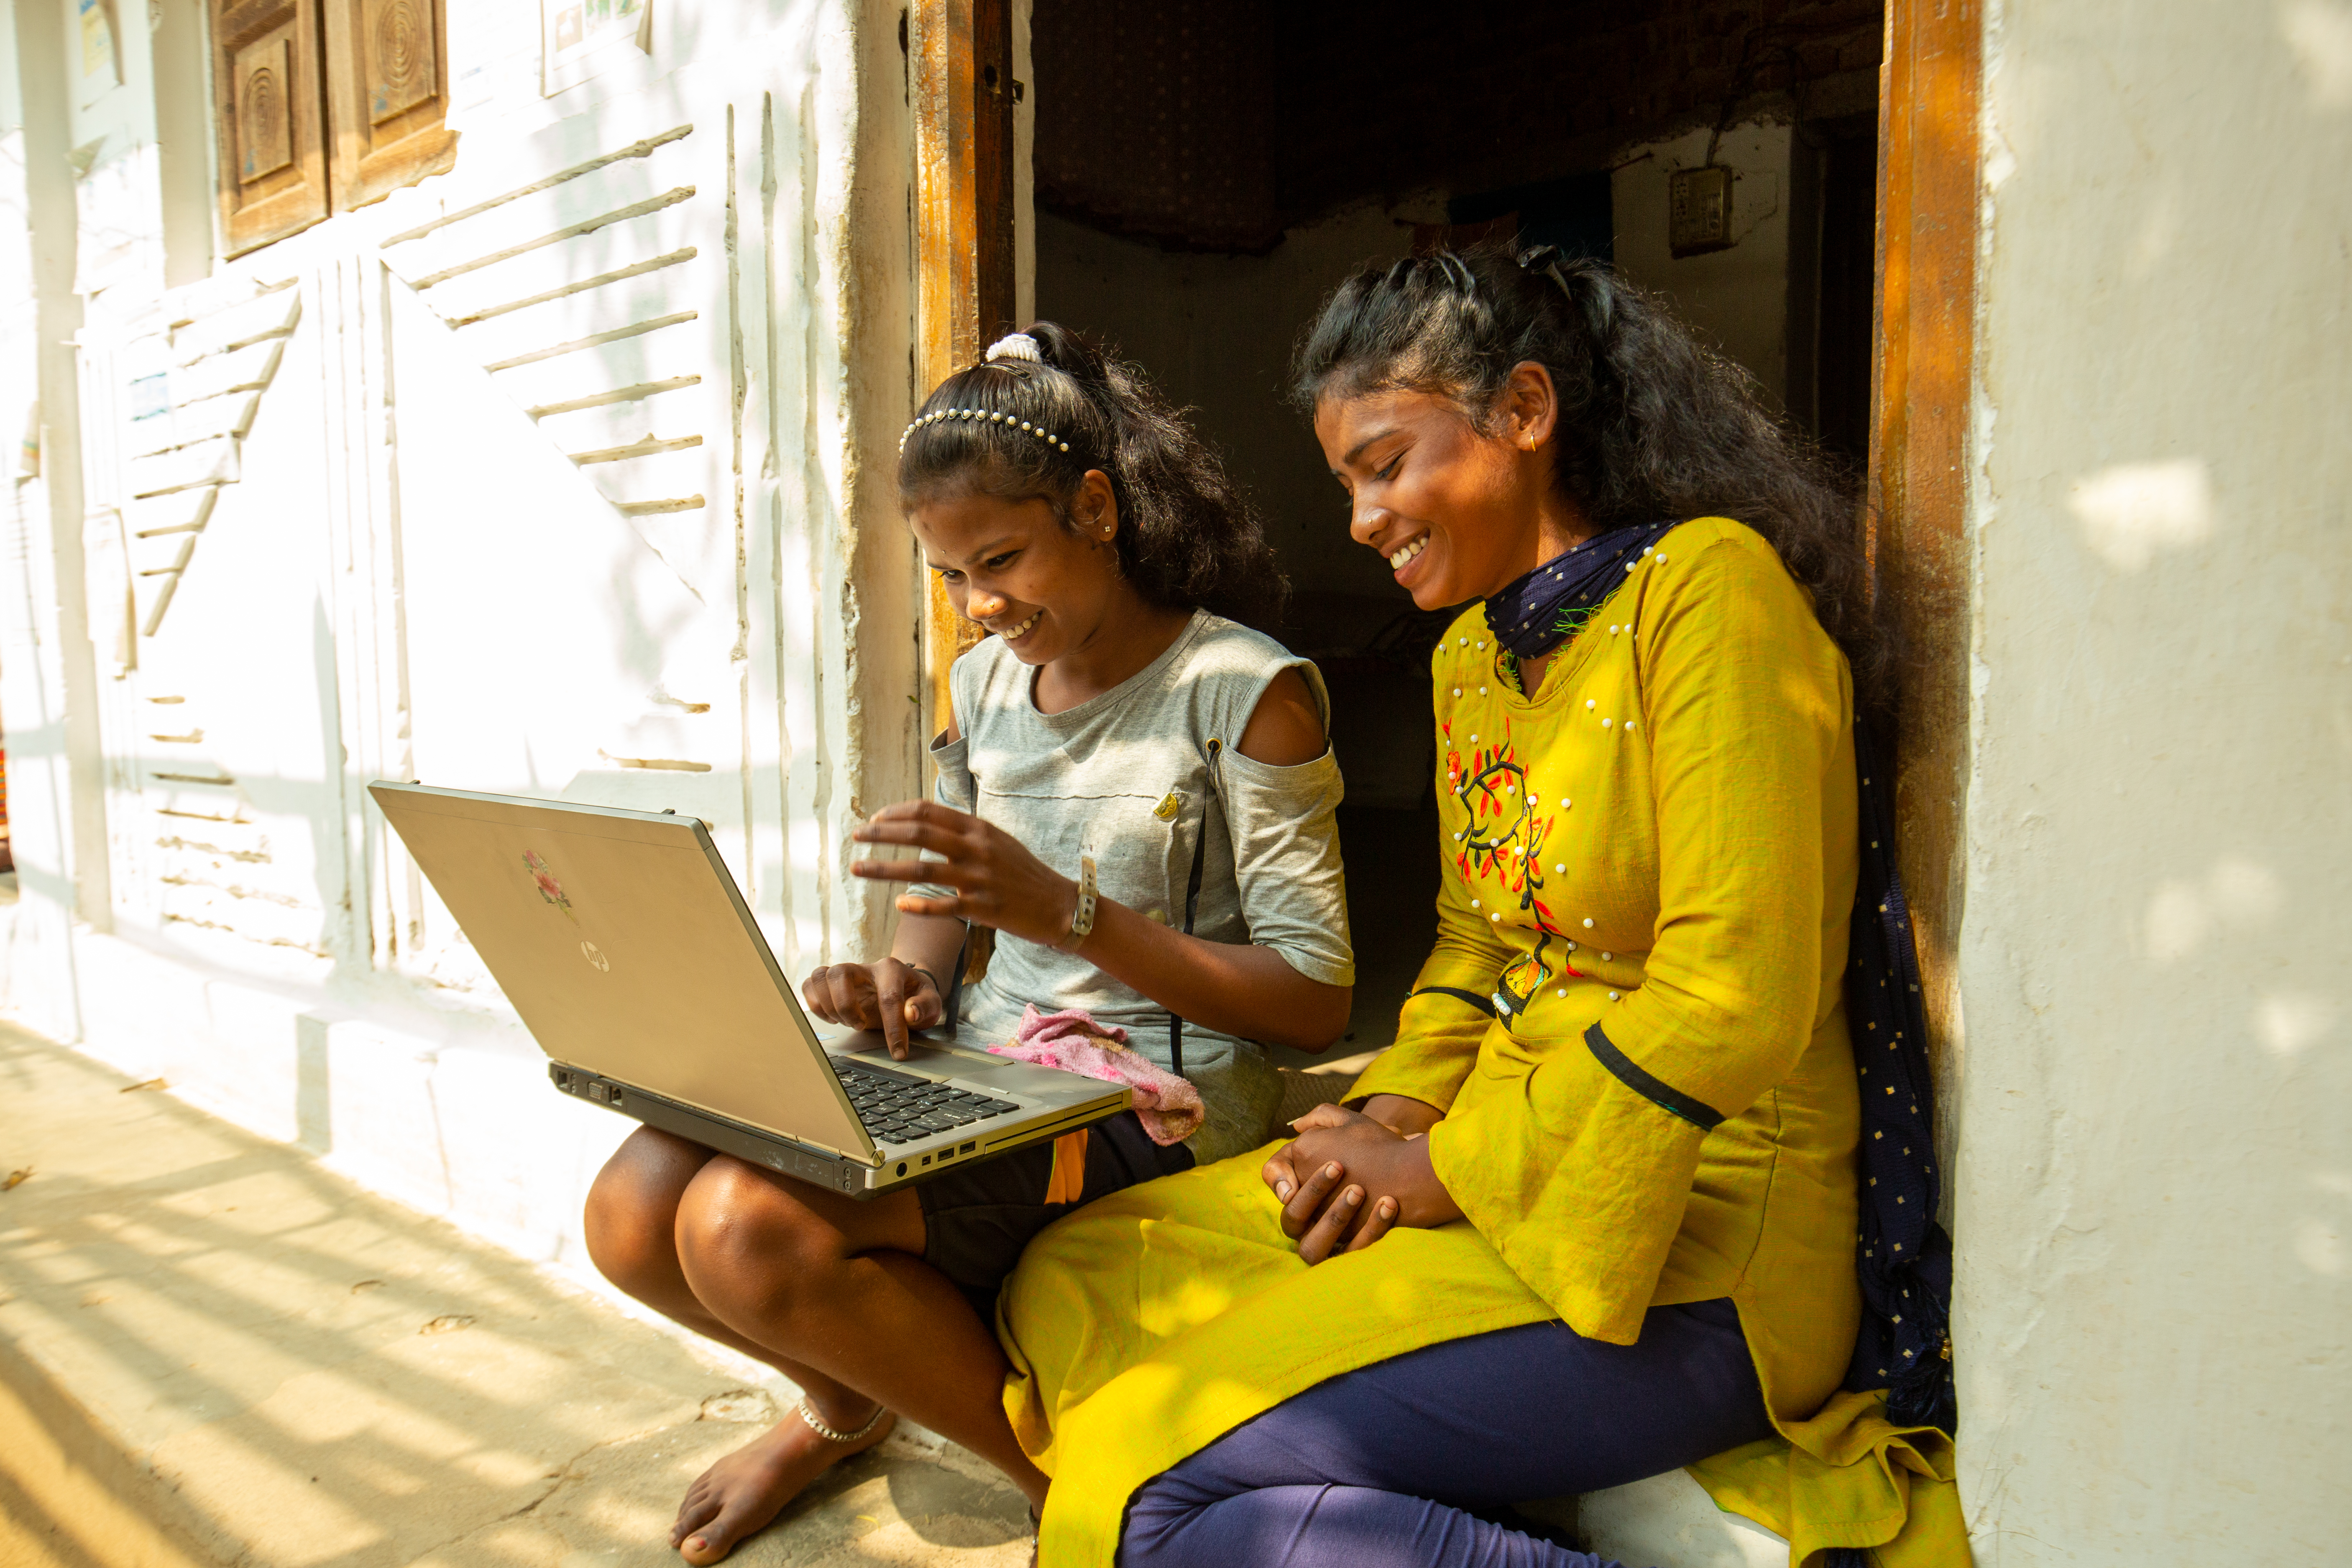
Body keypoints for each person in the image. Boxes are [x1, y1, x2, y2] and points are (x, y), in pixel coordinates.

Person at [993, 251, 1967, 1568]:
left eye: (1386, 464)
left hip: (1694, 1239)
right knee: (1072, 1278)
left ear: (1522, 411)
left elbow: (1735, 998)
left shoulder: (1707, 592)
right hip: (1497, 1163)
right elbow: (1477, 940)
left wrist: (1436, 1170)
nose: (1360, 517)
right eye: (1347, 482)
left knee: (1142, 1487)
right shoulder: (1473, 655)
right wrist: (1387, 1114)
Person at [580, 322, 1355, 1564]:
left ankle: (1062, 1482)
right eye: (951, 577)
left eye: (1002, 559)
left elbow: (1314, 999)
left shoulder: (1243, 691)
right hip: (994, 1073)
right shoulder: (986, 684)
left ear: (1096, 507)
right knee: (633, 1208)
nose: (983, 606)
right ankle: (844, 1409)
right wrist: (895, 983)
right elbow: (940, 914)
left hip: (1163, 1099)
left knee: (740, 1227)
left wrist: (1065, 914)